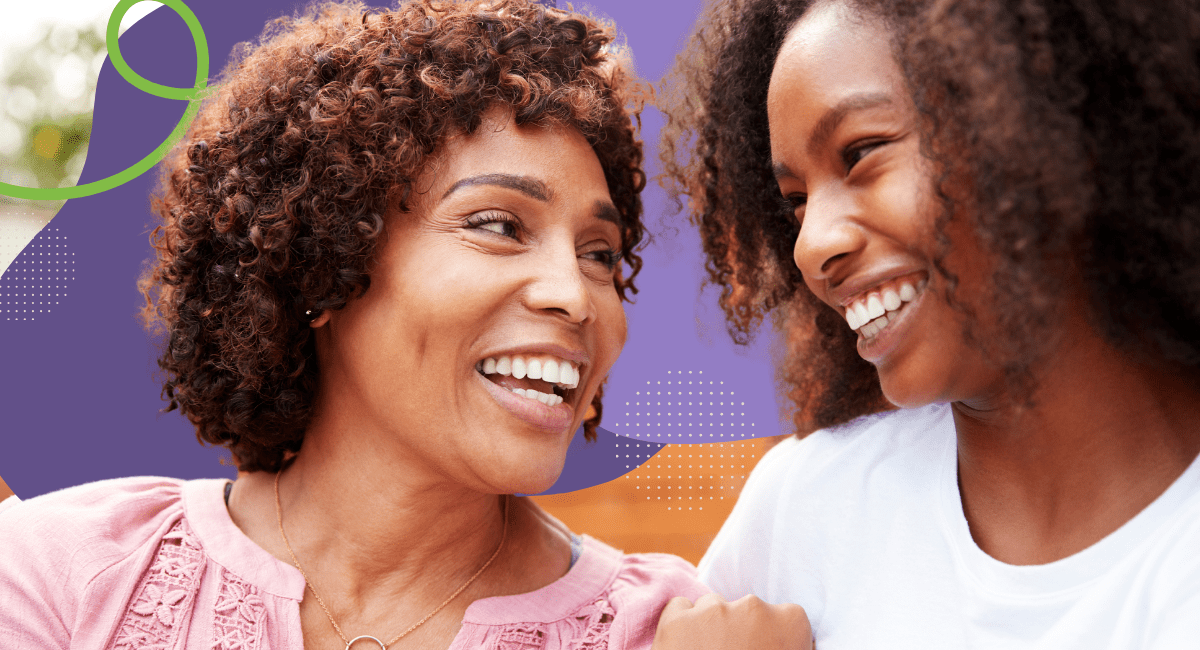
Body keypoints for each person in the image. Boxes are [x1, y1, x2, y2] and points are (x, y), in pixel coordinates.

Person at [0, 1, 709, 648]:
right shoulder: (60, 574)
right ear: (324, 263)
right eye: (498, 225)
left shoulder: (669, 630)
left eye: (599, 255)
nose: (578, 297)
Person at [653, 0, 1200, 647]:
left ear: (1039, 120)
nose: (811, 245)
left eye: (860, 153)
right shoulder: (804, 512)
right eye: (795, 203)